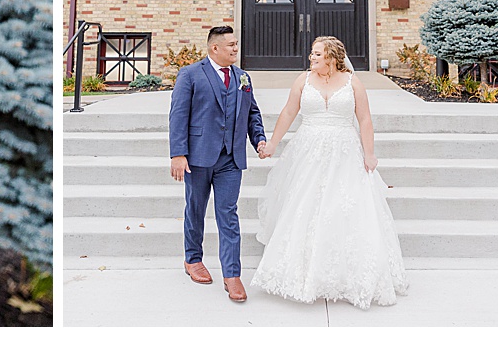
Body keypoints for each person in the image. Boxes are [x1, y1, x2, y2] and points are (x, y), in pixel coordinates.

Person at [253, 36, 408, 308]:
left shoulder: (353, 83)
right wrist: (272, 144)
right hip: (308, 151)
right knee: (305, 208)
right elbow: (289, 112)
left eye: (316, 54)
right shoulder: (302, 81)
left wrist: (369, 153)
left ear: (332, 58)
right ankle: (303, 273)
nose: (311, 58)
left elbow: (364, 119)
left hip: (345, 152)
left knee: (344, 208)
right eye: (312, 54)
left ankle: (346, 276)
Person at [168, 25, 267, 303]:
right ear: (215, 48)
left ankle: (232, 274)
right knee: (196, 209)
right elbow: (178, 115)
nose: (236, 49)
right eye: (231, 45)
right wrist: (178, 154)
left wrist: (258, 139)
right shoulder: (190, 74)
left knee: (228, 213)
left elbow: (252, 113)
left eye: (236, 45)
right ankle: (193, 259)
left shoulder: (243, 77)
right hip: (197, 158)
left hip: (231, 158)